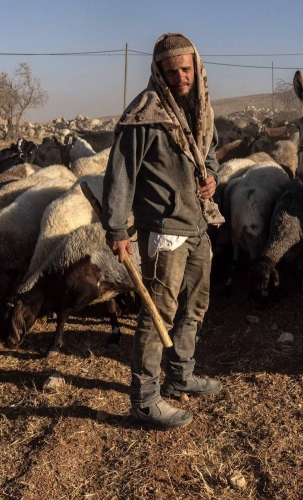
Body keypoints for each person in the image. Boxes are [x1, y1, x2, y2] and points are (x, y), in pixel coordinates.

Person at [102, 33, 225, 430]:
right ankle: (144, 399)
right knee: (158, 315)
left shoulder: (201, 107)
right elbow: (119, 173)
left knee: (195, 305)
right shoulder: (145, 113)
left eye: (186, 68)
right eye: (172, 71)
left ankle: (180, 375)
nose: (180, 77)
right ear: (159, 72)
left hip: (198, 223)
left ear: (196, 66)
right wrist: (118, 228)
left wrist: (213, 177)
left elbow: (210, 151)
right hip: (165, 230)